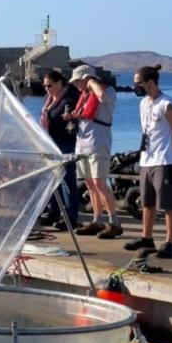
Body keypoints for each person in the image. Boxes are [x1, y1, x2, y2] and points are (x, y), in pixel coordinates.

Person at [124, 64, 172, 259]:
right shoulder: (144, 104)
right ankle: (146, 237)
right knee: (147, 202)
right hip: (147, 159)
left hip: (164, 160)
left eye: (138, 83)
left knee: (168, 203)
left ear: (150, 83)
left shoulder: (166, 104)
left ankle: (170, 242)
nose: (136, 87)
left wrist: (171, 152)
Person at [64, 65, 122, 239]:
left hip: (98, 143)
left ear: (87, 79)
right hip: (83, 144)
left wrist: (91, 82)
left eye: (78, 81)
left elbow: (102, 96)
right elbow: (82, 114)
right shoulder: (85, 96)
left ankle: (114, 222)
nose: (76, 85)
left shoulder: (107, 91)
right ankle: (97, 220)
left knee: (100, 183)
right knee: (90, 184)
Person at [38, 70, 81, 230]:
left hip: (65, 143)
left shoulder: (69, 99)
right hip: (50, 143)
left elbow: (74, 121)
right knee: (51, 179)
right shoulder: (49, 99)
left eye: (50, 85)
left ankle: (70, 216)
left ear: (59, 83)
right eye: (44, 86)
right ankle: (53, 211)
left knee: (66, 179)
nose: (47, 88)